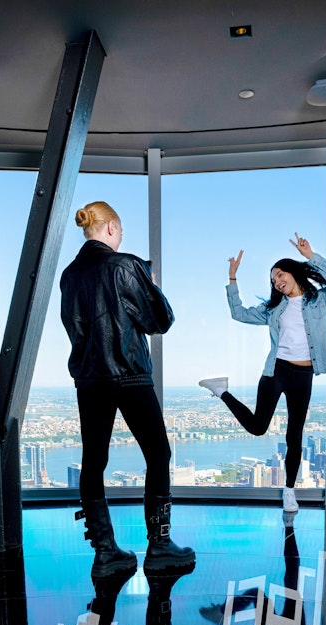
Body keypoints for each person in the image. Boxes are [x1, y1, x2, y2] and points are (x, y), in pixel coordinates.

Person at [60, 200, 195, 578]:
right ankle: (160, 546)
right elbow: (161, 320)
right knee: (158, 454)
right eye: (119, 231)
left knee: (93, 461)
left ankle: (106, 553)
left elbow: (74, 328)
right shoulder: (126, 265)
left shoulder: (69, 275)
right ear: (110, 228)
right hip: (131, 375)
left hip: (90, 379)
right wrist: (149, 282)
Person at [198, 234, 326, 512]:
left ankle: (289, 491)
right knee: (258, 427)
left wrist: (311, 255)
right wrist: (232, 279)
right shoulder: (274, 309)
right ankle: (221, 390)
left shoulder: (320, 301)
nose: (277, 281)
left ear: (293, 272)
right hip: (277, 371)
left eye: (280, 274)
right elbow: (239, 313)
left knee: (295, 435)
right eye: (273, 280)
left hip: (303, 375)